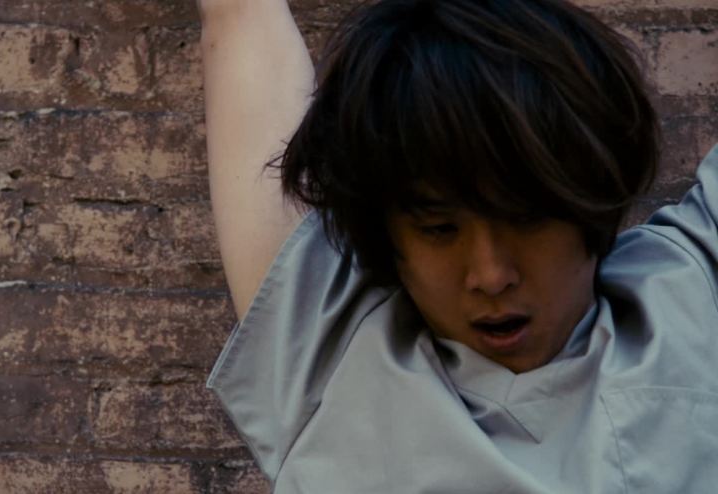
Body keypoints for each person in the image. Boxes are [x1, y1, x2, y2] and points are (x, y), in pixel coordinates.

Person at [199, 0, 718, 492]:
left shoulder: (694, 293)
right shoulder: (322, 347)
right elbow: (242, 17)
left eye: (526, 218)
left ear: (593, 196)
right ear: (388, 235)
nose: (490, 276)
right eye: (439, 229)